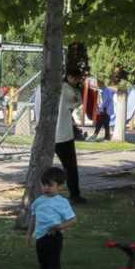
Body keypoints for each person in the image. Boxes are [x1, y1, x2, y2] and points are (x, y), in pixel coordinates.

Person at [28, 167, 77, 269]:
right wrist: (29, 235)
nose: (46, 188)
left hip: (54, 237)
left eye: (50, 185)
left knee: (54, 262)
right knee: (42, 262)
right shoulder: (38, 201)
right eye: (44, 184)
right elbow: (33, 218)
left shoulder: (62, 202)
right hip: (40, 237)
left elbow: (73, 220)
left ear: (60, 186)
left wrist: (60, 227)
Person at [55, 67, 87, 204]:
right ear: (69, 76)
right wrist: (78, 91)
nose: (77, 81)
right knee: (70, 166)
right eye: (76, 78)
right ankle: (74, 194)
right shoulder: (68, 89)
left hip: (49, 133)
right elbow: (77, 102)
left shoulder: (46, 87)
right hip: (62, 134)